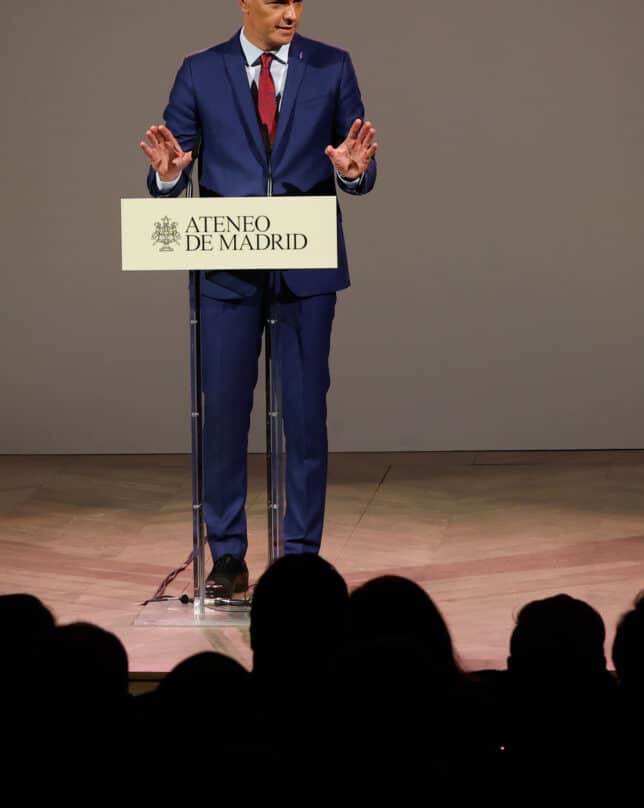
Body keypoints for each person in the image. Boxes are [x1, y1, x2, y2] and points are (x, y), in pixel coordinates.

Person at [139, 0, 379, 598]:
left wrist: (351, 172)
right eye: (276, 1)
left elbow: (359, 166)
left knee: (304, 416)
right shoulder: (200, 70)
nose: (291, 12)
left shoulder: (332, 66)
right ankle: (227, 560)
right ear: (245, 3)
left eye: (298, 0)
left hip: (306, 268)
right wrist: (169, 176)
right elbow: (169, 167)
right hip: (226, 271)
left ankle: (301, 559)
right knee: (221, 417)